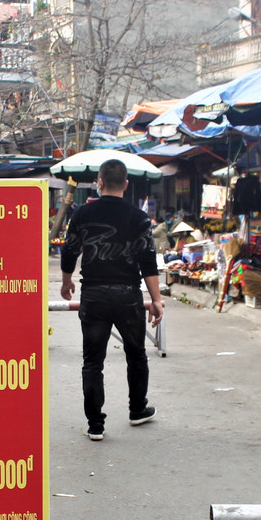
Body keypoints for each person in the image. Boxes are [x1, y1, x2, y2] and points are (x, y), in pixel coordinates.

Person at [59, 158, 164, 440]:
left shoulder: (82, 213)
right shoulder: (139, 217)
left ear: (100, 182)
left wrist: (67, 281)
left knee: (93, 362)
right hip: (128, 296)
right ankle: (137, 410)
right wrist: (155, 299)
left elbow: (70, 251)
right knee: (137, 354)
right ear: (126, 185)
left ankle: (95, 426)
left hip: (94, 296)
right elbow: (148, 261)